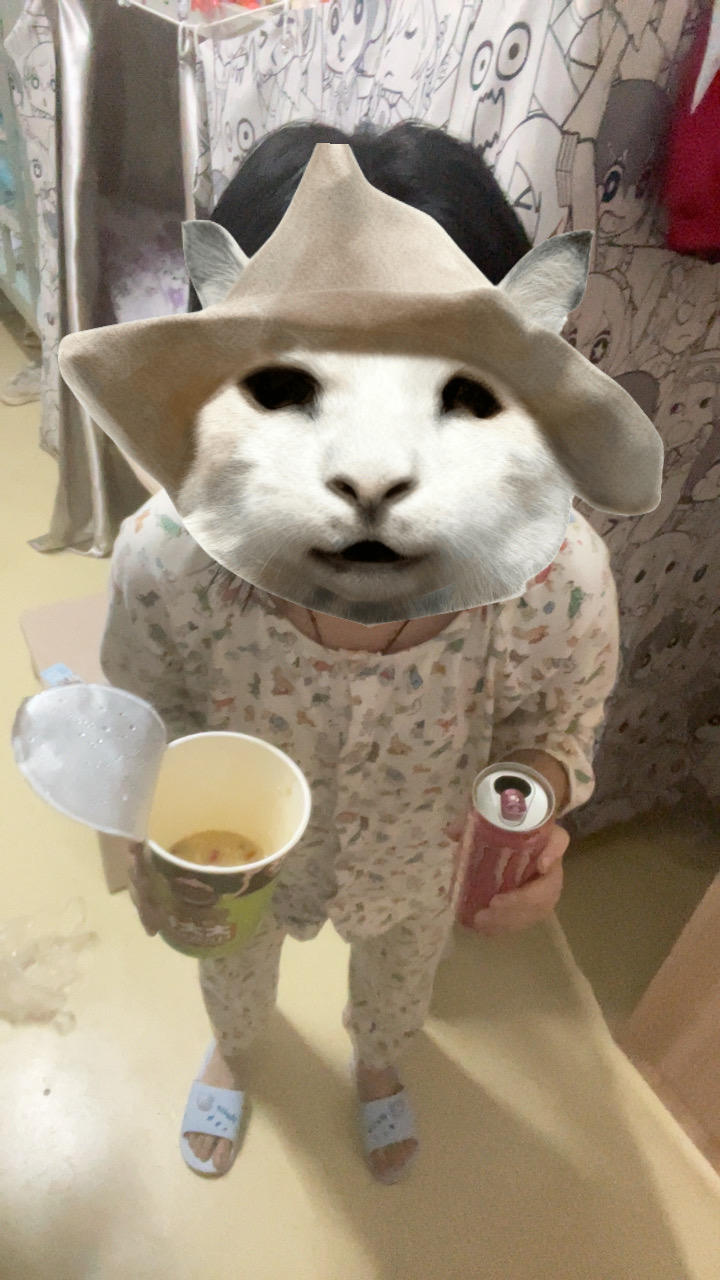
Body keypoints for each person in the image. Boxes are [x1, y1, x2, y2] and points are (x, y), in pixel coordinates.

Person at [102, 121, 619, 1185]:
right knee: (232, 963)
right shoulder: (169, 557)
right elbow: (144, 709)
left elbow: (558, 727)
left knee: (398, 979)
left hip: (419, 859)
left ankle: (380, 1059)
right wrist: (143, 830)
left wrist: (533, 822)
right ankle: (236, 1047)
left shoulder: (556, 577)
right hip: (238, 851)